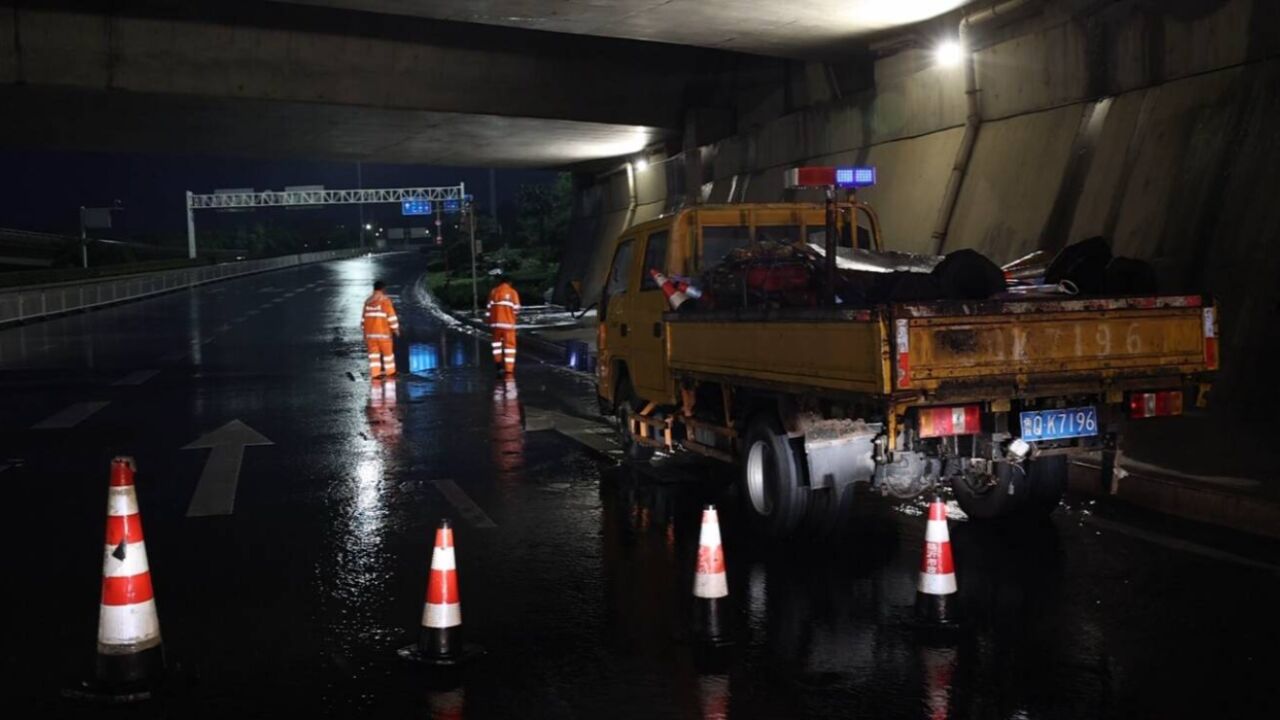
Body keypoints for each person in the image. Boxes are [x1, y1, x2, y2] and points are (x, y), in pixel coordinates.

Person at [362, 279, 400, 379]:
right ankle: (390, 372)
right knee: (388, 355)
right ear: (383, 288)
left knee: (374, 356)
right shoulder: (385, 301)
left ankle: (375, 374)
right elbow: (391, 316)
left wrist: (364, 333)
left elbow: (363, 319)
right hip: (383, 334)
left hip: (370, 335)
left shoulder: (367, 302)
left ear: (374, 288)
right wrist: (395, 329)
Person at [486, 270, 521, 375]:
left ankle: (498, 364)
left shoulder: (493, 292)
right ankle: (509, 369)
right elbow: (516, 309)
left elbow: (488, 309)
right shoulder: (512, 292)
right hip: (508, 325)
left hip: (495, 324)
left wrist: (489, 321)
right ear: (509, 282)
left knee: (496, 345)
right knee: (510, 347)